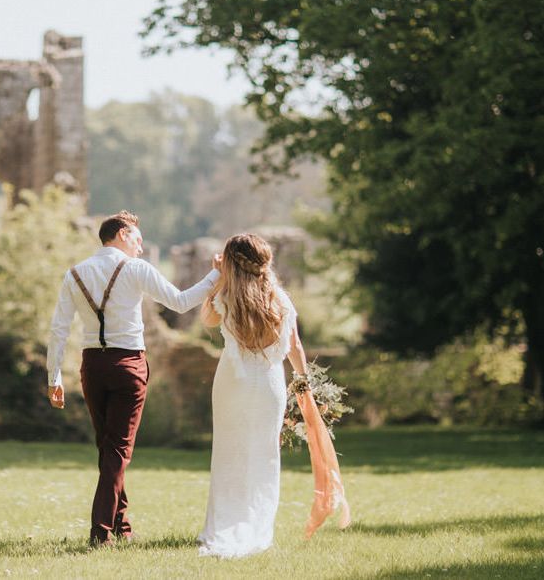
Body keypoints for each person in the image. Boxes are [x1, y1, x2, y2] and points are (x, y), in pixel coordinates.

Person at [46, 210, 220, 547]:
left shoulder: (74, 273)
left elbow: (59, 328)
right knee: (117, 451)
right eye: (138, 240)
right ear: (123, 234)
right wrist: (214, 276)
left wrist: (53, 375)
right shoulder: (136, 269)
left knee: (108, 447)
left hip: (92, 366)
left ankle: (121, 526)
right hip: (128, 365)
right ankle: (100, 532)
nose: (141, 249)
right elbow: (181, 302)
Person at [197, 233, 350, 558]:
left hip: (232, 384)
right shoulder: (280, 300)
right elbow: (294, 346)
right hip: (269, 385)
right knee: (264, 454)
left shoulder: (226, 298)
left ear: (231, 263)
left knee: (228, 453)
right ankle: (257, 525)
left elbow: (205, 319)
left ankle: (223, 523)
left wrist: (218, 278)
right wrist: (303, 381)